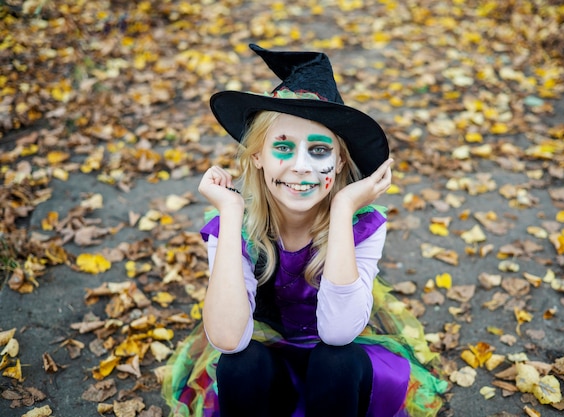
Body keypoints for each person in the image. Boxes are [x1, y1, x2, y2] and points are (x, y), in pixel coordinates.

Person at [163, 44, 447, 417]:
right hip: (270, 363)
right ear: (257, 157)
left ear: (339, 161)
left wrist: (344, 208)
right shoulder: (234, 228)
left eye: (318, 150)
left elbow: (338, 333)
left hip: (339, 376)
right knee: (238, 364)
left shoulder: (363, 226)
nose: (301, 166)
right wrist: (231, 214)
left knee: (336, 360)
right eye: (283, 146)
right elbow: (229, 339)